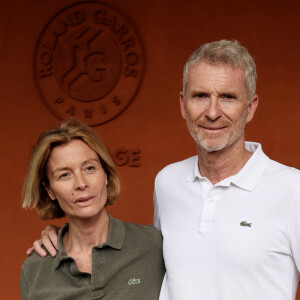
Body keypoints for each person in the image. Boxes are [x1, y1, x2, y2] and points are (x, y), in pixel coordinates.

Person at [29, 40, 300, 300]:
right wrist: (65, 236)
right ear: (183, 104)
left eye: (228, 97)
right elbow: (144, 255)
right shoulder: (168, 182)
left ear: (250, 108)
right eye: (200, 96)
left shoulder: (292, 190)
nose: (213, 111)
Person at [20, 119, 165, 300]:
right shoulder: (35, 268)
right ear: (49, 190)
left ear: (105, 175)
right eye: (64, 175)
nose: (81, 184)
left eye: (89, 168)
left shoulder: (154, 246)